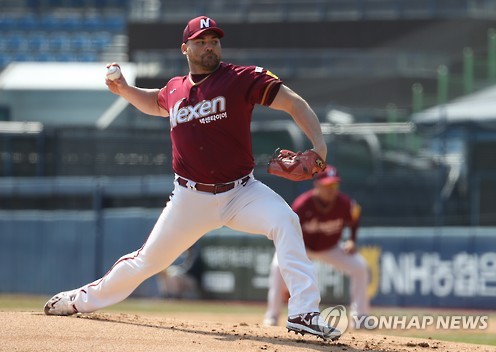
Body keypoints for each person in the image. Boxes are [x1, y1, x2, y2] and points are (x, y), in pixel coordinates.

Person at [44, 16, 340, 340]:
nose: (209, 46)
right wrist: (125, 90)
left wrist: (319, 145)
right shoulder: (175, 89)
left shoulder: (241, 78)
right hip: (190, 199)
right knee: (145, 263)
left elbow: (294, 103)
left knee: (285, 220)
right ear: (185, 48)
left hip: (241, 193)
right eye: (201, 41)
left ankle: (304, 312)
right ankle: (78, 301)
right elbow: (154, 101)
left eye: (214, 40)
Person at [263, 165, 370, 327]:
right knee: (277, 266)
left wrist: (352, 240)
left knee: (360, 266)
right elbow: (288, 228)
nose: (331, 189)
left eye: (334, 185)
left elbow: (355, 217)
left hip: (330, 248)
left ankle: (360, 317)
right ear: (317, 185)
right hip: (302, 248)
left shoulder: (345, 204)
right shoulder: (303, 204)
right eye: (327, 185)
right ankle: (272, 316)